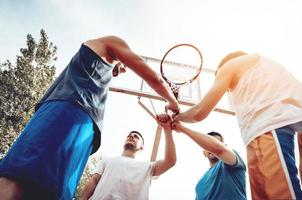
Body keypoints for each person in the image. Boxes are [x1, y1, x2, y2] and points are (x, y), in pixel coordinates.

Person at [0, 36, 179, 200]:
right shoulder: (112, 42)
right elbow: (153, 77)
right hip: (68, 112)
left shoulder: (96, 70)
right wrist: (172, 101)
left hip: (82, 125)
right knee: (20, 176)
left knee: (52, 189)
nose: (124, 68)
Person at [173, 51, 302, 199]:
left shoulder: (229, 67)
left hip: (269, 123)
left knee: (275, 195)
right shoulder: (268, 64)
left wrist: (179, 118)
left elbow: (199, 112)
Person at [80, 113, 176, 200]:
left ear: (142, 147)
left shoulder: (148, 167)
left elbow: (170, 161)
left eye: (136, 137)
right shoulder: (106, 160)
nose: (131, 137)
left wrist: (167, 129)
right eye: (129, 135)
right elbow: (93, 181)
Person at [172, 122, 246, 200]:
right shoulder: (199, 185)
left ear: (226, 147)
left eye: (216, 142)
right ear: (204, 153)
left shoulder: (233, 160)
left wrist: (182, 128)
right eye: (207, 146)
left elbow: (219, 149)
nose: (211, 148)